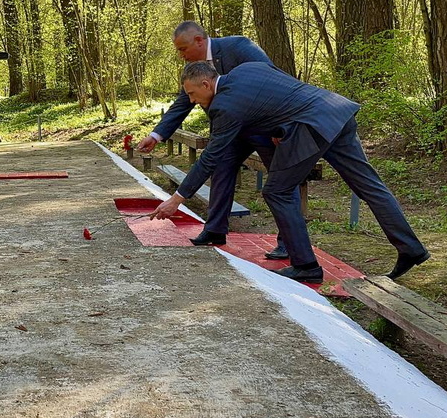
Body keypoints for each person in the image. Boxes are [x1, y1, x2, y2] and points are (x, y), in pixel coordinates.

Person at [149, 61, 430, 281]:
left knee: (277, 191)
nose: (193, 100)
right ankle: (411, 248)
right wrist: (281, 125)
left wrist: (178, 198)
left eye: (192, 94)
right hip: (336, 112)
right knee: (370, 187)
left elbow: (210, 158)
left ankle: (305, 265)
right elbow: (283, 91)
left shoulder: (225, 106)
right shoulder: (249, 68)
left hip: (311, 127)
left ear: (207, 83)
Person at [136, 21, 296, 259]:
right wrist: (156, 135)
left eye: (183, 49)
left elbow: (272, 82)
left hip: (263, 127)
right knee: (219, 169)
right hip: (229, 130)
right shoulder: (194, 70)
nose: (181, 56)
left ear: (199, 41)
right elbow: (183, 103)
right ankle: (215, 230)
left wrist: (281, 127)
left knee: (280, 182)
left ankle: (289, 242)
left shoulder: (240, 47)